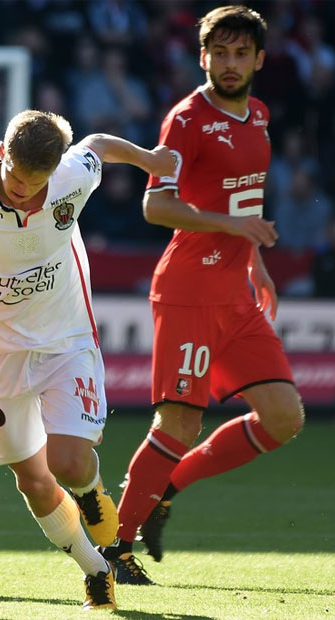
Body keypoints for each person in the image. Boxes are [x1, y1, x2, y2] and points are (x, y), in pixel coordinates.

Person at [0, 110, 175, 611]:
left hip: (66, 340)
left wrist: (149, 158)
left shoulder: (70, 176)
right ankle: (95, 568)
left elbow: (100, 144)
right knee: (30, 478)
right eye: (17, 179)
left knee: (65, 460)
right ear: (2, 153)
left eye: (35, 183)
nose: (24, 192)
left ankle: (90, 496)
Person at [100, 6, 305, 584]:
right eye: (220, 52)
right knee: (176, 424)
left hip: (236, 293)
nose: (230, 63)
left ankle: (169, 487)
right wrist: (232, 228)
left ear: (260, 60)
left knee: (285, 418)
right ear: (202, 56)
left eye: (242, 53)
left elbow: (244, 202)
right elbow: (155, 206)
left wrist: (256, 261)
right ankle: (115, 549)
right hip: (188, 290)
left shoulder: (259, 115)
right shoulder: (186, 120)